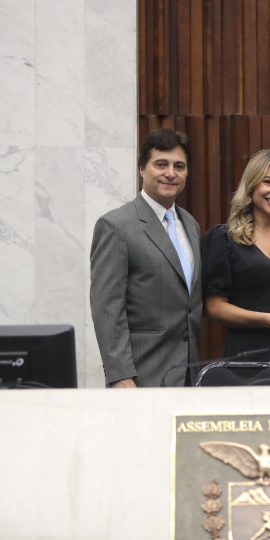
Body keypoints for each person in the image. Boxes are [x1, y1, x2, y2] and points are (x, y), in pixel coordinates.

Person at [90, 128, 202, 387]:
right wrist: (120, 376)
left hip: (188, 376)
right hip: (141, 377)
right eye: (160, 164)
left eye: (179, 166)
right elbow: (107, 308)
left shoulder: (191, 225)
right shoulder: (116, 225)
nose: (170, 173)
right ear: (142, 168)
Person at [202, 150, 270, 383]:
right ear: (252, 185)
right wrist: (268, 319)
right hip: (245, 361)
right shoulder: (224, 238)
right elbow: (214, 308)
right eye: (268, 182)